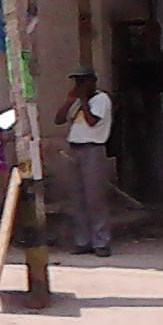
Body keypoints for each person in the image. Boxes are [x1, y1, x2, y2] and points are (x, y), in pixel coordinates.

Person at [55, 67, 115, 255]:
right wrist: (69, 101)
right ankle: (83, 240)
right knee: (77, 198)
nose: (79, 85)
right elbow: (58, 120)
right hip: (75, 149)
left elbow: (91, 121)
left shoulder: (101, 99)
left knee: (94, 197)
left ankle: (101, 241)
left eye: (83, 81)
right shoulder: (77, 102)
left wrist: (83, 100)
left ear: (92, 81)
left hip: (92, 149)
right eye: (77, 82)